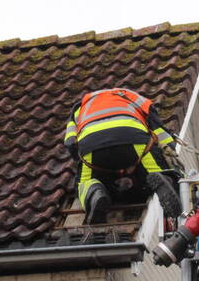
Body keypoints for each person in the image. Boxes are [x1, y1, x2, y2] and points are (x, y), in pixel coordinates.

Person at [63, 88, 182, 223]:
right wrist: (171, 152)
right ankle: (163, 178)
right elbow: (159, 131)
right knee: (155, 166)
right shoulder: (134, 98)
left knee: (83, 183)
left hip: (92, 146)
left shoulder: (80, 107)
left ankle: (95, 192)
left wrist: (83, 159)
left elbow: (70, 142)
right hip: (133, 138)